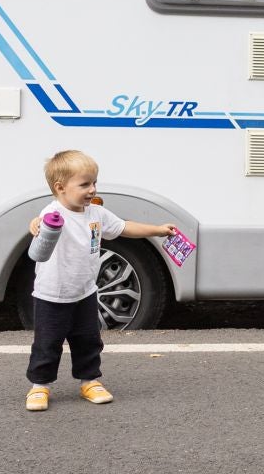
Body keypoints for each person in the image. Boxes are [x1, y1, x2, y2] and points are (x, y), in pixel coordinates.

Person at [24, 149, 180, 412]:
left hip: (85, 293)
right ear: (60, 188)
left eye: (94, 183)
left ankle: (89, 381)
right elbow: (38, 223)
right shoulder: (53, 213)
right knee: (47, 343)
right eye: (84, 184)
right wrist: (36, 224)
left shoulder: (94, 213)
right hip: (52, 295)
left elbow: (123, 227)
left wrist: (157, 230)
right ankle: (40, 386)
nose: (92, 189)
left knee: (88, 340)